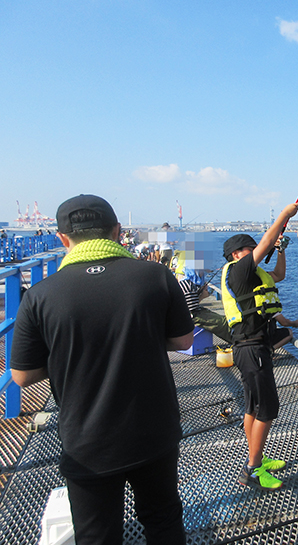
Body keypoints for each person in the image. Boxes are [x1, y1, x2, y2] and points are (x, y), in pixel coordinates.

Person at [10, 194, 194, 544]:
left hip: (87, 441)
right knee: (163, 520)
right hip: (154, 431)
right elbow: (184, 340)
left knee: (97, 535)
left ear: (63, 238)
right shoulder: (155, 275)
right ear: (117, 231)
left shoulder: (40, 294)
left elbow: (22, 375)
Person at [220, 202, 298, 492]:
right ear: (236, 255)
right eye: (250, 249)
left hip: (252, 347)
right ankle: (252, 470)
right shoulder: (238, 272)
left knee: (253, 407)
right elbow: (266, 240)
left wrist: (281, 250)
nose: (257, 251)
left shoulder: (251, 276)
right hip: (252, 349)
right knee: (267, 408)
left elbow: (278, 275)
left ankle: (258, 457)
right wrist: (284, 216)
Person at [177, 268, 232, 344]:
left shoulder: (189, 282)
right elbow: (191, 309)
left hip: (192, 312)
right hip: (189, 316)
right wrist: (202, 296)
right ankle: (236, 340)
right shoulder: (188, 285)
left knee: (221, 319)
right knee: (222, 323)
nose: (203, 274)